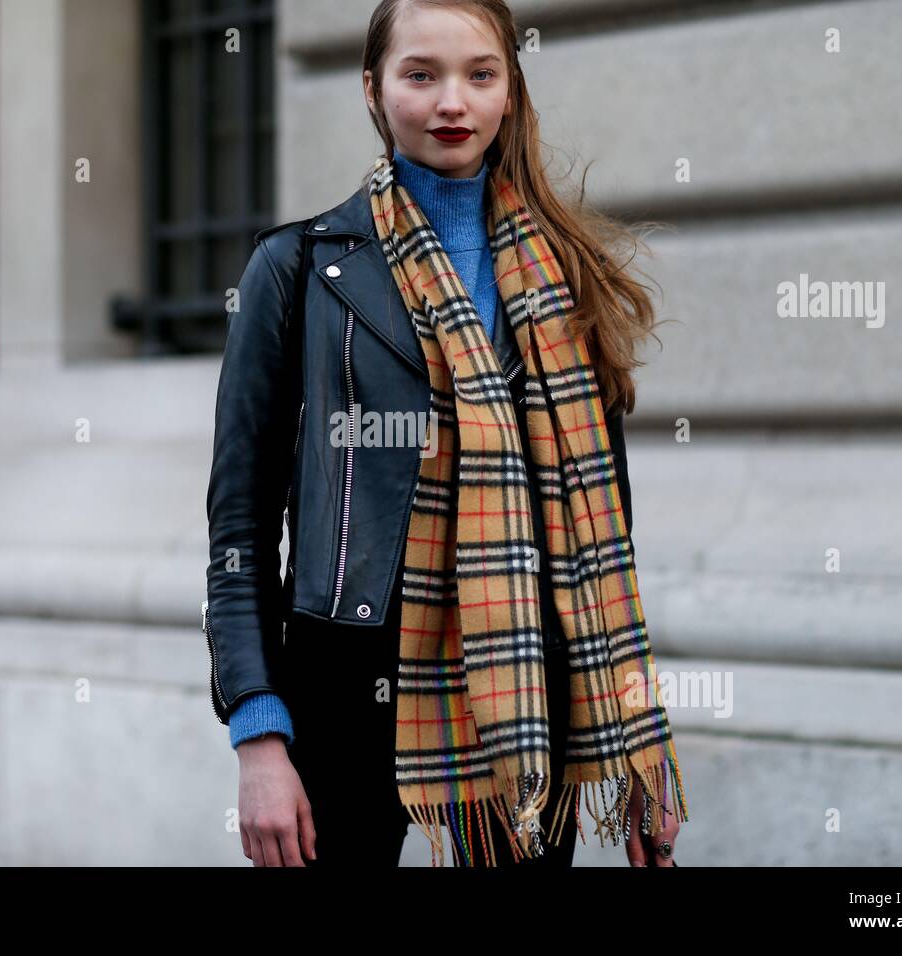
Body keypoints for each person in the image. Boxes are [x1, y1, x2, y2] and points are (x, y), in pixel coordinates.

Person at [204, 0, 688, 868]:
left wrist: (636, 745)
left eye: (480, 74)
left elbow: (608, 534)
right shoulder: (300, 269)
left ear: (510, 89)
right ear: (373, 89)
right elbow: (240, 530)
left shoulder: (568, 278)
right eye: (420, 74)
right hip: (347, 688)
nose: (451, 102)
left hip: (532, 694)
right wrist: (258, 734)